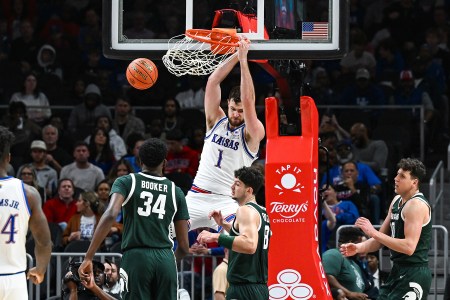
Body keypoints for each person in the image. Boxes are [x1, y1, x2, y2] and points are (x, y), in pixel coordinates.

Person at [78, 138, 190, 299]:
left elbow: (110, 214)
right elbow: (185, 247)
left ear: (139, 161)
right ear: (165, 163)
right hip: (166, 257)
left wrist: (89, 257)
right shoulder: (176, 191)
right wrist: (169, 263)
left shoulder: (126, 181)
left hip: (137, 257)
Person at [186, 37, 265, 231]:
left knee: (239, 239)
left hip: (226, 200)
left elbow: (248, 101)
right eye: (232, 109)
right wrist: (236, 55)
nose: (237, 114)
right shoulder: (215, 120)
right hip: (197, 195)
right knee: (163, 233)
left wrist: (244, 61)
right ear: (227, 104)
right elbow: (213, 82)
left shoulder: (253, 132)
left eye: (241, 111)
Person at [340, 158, 432, 299]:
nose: (396, 179)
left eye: (402, 176)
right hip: (397, 270)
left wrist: (373, 232)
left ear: (414, 182)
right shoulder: (396, 200)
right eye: (397, 174)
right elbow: (379, 241)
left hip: (414, 272)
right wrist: (359, 247)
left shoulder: (416, 205)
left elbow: (409, 247)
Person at [197, 166, 270, 300]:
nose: (232, 187)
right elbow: (251, 235)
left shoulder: (245, 210)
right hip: (259, 287)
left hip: (244, 288)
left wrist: (216, 236)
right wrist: (224, 224)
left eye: (237, 184)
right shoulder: (262, 211)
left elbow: (249, 244)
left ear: (249, 190)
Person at [0, 126, 52, 299]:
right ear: (8, 158)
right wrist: (40, 268)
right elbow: (44, 241)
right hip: (14, 280)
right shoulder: (28, 193)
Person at [323, 226, 370, 300]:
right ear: (351, 242)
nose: (362, 247)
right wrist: (349, 293)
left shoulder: (353, 262)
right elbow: (327, 276)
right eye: (360, 243)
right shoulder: (334, 254)